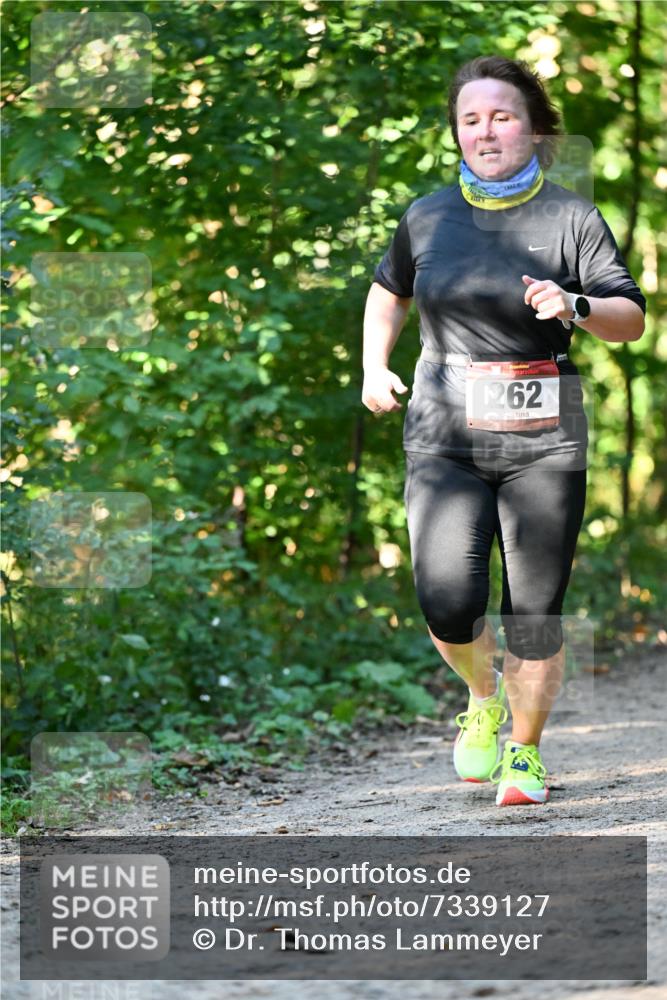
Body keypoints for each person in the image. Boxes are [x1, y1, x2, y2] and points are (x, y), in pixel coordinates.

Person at [362, 55, 646, 806]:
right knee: (447, 601)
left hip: (542, 438)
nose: (485, 131)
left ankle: (523, 751)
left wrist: (574, 305)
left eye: (502, 115)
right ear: (457, 133)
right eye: (470, 119)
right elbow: (386, 292)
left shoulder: (571, 218)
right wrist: (372, 368)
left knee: (532, 612)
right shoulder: (425, 215)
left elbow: (631, 318)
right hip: (442, 433)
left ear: (533, 129)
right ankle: (481, 696)